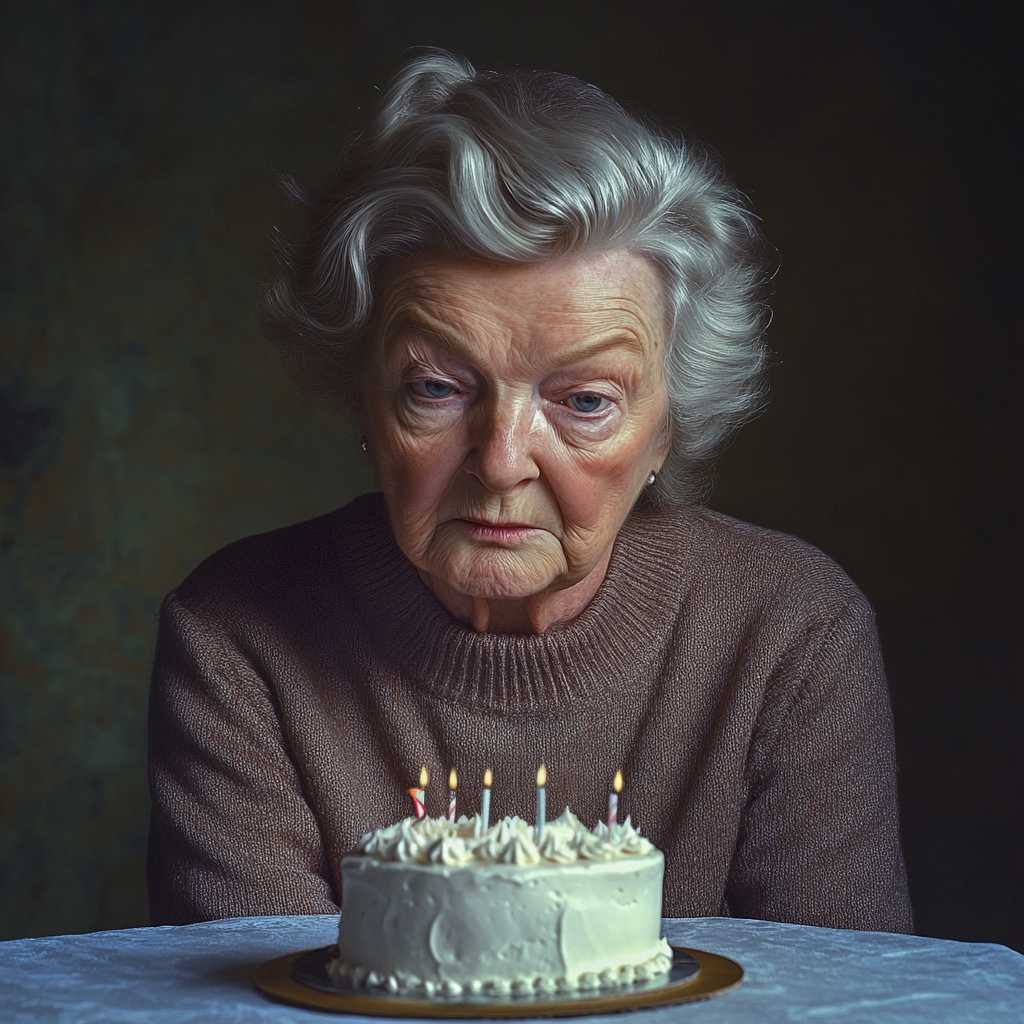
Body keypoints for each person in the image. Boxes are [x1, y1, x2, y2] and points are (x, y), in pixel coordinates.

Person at [147, 49, 912, 931]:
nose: (502, 461)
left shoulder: (793, 632)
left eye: (585, 401)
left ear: (668, 427)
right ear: (361, 397)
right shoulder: (235, 641)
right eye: (437, 386)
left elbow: (853, 1000)